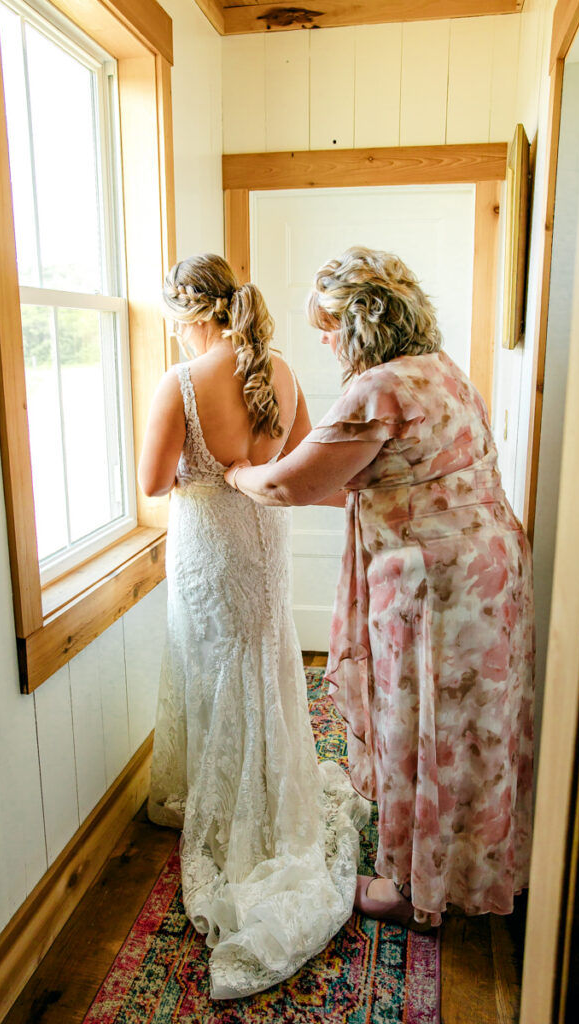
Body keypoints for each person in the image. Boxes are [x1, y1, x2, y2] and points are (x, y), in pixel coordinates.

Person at [225, 246, 535, 931]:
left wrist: (238, 475)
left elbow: (288, 484)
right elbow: (385, 479)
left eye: (328, 326)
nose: (326, 342)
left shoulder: (380, 388)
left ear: (361, 319)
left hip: (436, 585)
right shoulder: (444, 372)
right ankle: (482, 866)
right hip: (491, 568)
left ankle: (409, 887)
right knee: (474, 725)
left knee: (419, 724)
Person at [138, 253, 369, 1000]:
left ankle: (221, 799)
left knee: (211, 662)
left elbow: (149, 481)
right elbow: (302, 469)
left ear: (184, 313)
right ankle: (271, 792)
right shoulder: (284, 371)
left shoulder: (179, 385)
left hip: (208, 543)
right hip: (263, 544)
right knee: (264, 656)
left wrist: (199, 466)